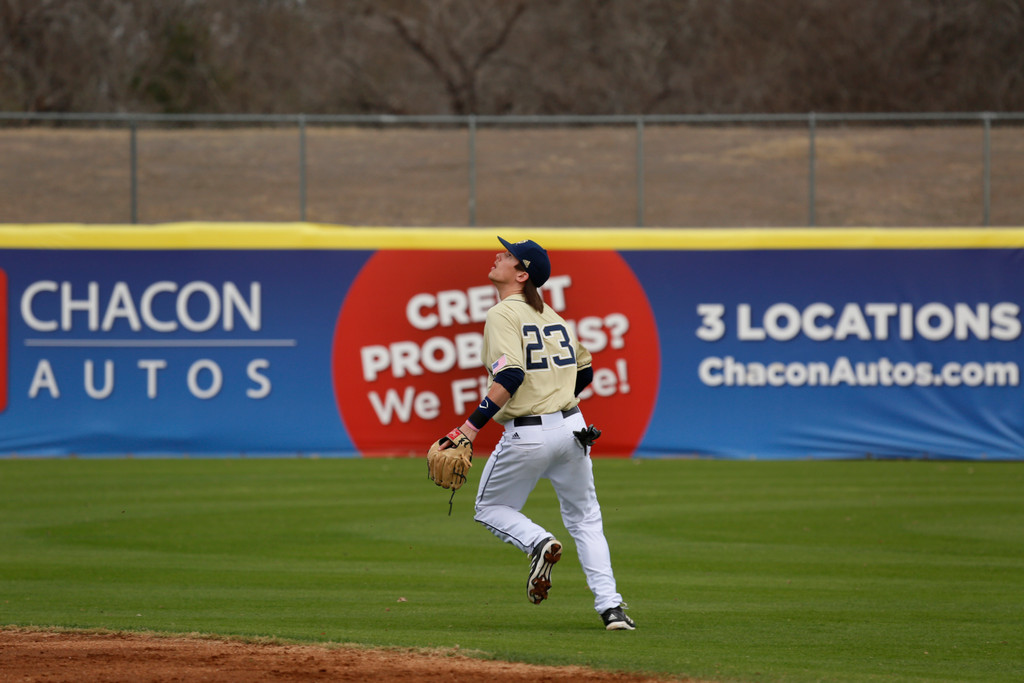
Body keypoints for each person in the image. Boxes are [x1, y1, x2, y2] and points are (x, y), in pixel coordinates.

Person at [438, 235, 635, 631]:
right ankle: (611, 608)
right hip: (574, 428)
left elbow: (510, 374)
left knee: (489, 509)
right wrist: (559, 398)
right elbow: (586, 368)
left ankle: (538, 542)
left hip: (528, 433)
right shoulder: (553, 317)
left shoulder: (502, 314)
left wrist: (468, 428)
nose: (498, 255)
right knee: (586, 520)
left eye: (508, 255)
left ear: (521, 274)